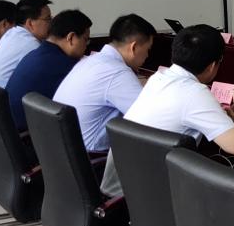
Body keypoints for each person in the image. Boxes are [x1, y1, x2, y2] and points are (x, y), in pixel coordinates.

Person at [99, 24, 234, 197]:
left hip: (123, 189)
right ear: (212, 66)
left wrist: (219, 115)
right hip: (152, 195)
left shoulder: (158, 78)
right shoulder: (195, 93)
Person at [52, 13, 156, 152]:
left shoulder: (89, 61)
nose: (147, 55)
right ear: (134, 47)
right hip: (91, 158)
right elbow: (151, 120)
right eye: (148, 49)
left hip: (60, 151)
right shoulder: (117, 72)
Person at [6, 9, 92, 132]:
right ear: (71, 38)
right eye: (85, 39)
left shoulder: (35, 54)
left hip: (12, 129)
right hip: (29, 135)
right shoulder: (63, 65)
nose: (86, 45)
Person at [0, 0, 52, 89]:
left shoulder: (11, 33)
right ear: (30, 23)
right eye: (48, 19)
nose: (52, 23)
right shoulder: (31, 45)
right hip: (3, 95)